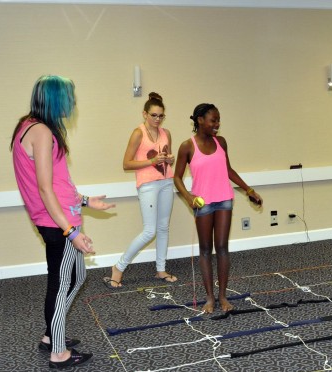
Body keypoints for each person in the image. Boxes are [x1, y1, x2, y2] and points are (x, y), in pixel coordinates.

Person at [11, 75, 115, 368]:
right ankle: (58, 351)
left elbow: (57, 184)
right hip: (59, 223)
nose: (73, 102)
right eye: (69, 97)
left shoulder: (28, 125)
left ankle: (50, 336)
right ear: (57, 99)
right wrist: (70, 231)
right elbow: (44, 189)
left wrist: (86, 201)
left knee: (76, 277)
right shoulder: (42, 132)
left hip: (59, 217)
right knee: (61, 285)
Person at [173, 103, 262, 313]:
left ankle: (223, 297)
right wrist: (188, 197)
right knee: (205, 250)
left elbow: (228, 170)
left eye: (218, 120)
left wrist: (249, 190)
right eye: (213, 120)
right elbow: (176, 177)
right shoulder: (187, 146)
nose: (217, 124)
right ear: (200, 120)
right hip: (202, 204)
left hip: (224, 200)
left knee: (222, 248)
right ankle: (210, 299)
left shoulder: (221, 142)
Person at [104, 92, 177, 288]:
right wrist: (151, 161)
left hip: (166, 181)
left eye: (161, 115)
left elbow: (168, 158)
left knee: (163, 228)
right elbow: (126, 164)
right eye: (154, 115)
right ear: (145, 114)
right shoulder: (138, 133)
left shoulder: (166, 133)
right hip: (147, 184)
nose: (157, 119)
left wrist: (169, 160)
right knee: (149, 230)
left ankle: (161, 269)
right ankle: (118, 267)